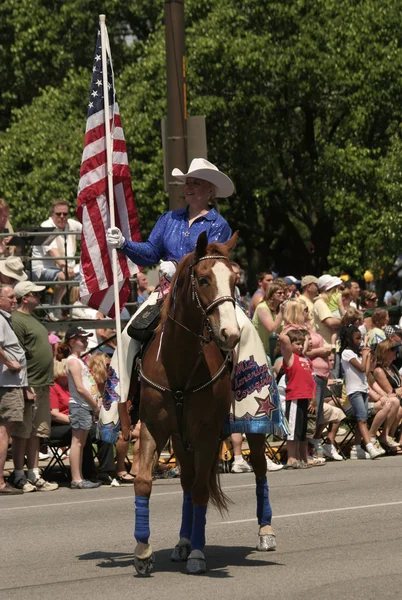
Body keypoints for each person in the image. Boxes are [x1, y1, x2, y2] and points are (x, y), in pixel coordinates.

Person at [11, 281, 58, 492]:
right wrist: (24, 386)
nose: (39, 297)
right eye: (35, 295)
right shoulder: (17, 320)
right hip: (29, 383)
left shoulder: (33, 318)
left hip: (42, 383)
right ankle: (19, 474)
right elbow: (17, 353)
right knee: (22, 431)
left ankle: (34, 473)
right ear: (24, 298)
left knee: (37, 432)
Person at [50, 357, 116, 483]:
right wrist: (74, 420)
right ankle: (87, 473)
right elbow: (54, 414)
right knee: (82, 436)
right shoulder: (53, 387)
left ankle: (106, 472)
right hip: (58, 425)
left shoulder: (71, 386)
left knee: (103, 431)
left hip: (76, 419)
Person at [65, 326, 101, 489]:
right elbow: (80, 387)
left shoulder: (79, 360)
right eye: (82, 340)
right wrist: (95, 405)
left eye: (86, 339)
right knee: (77, 442)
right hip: (80, 406)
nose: (85, 342)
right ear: (72, 342)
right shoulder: (73, 361)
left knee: (81, 442)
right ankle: (76, 478)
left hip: (84, 405)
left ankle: (79, 477)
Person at [31, 199, 82, 316]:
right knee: (65, 276)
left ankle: (80, 306)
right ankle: (55, 306)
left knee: (93, 271)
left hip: (68, 268)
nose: (62, 217)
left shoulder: (72, 224)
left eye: (65, 214)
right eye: (58, 214)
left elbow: (89, 234)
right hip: (44, 269)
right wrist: (64, 266)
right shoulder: (46, 226)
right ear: (52, 214)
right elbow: (53, 253)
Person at [0, 285, 27, 494]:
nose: (14, 301)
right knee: (4, 433)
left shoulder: (5, 318)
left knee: (4, 432)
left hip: (12, 383)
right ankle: (0, 481)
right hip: (7, 384)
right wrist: (10, 363)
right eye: (10, 297)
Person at [340, 326, 382, 459]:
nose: (359, 341)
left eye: (360, 338)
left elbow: (367, 370)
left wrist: (367, 355)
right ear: (349, 339)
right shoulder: (346, 353)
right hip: (354, 391)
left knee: (362, 419)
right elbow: (362, 368)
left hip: (363, 388)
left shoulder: (358, 354)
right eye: (357, 339)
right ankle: (369, 446)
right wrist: (364, 356)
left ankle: (356, 448)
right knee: (362, 419)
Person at [279, 329, 315, 469]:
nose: (300, 346)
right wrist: (287, 332)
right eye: (296, 344)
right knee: (292, 430)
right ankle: (291, 459)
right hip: (294, 397)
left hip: (305, 398)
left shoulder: (306, 359)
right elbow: (285, 340)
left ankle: (300, 458)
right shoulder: (290, 357)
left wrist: (313, 398)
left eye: (301, 344)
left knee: (301, 431)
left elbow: (312, 381)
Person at [252, 283, 285, 363]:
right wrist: (281, 313)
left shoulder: (278, 309)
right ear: (271, 295)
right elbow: (271, 330)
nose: (283, 295)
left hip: (276, 352)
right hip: (262, 352)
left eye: (283, 293)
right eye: (279, 293)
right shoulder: (262, 308)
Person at [313, 276, 342, 347]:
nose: (336, 289)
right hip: (327, 347)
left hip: (336, 346)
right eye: (333, 288)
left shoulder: (329, 300)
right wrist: (347, 321)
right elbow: (331, 322)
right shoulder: (320, 302)